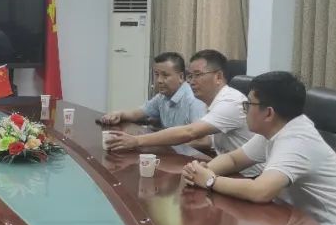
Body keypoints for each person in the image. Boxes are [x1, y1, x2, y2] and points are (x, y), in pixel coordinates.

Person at [181, 71, 336, 225]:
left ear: (268, 113)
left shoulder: (296, 141)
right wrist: (201, 170)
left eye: (248, 104)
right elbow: (234, 159)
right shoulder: (276, 129)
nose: (244, 110)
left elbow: (260, 191)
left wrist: (210, 180)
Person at [107, 50, 261, 177]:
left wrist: (137, 141)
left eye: (197, 75)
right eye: (190, 76)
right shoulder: (210, 101)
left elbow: (190, 132)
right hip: (227, 170)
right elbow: (210, 142)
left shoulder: (230, 102)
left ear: (218, 77)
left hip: (249, 176)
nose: (191, 81)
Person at [98, 52, 207, 154]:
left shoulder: (194, 101)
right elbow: (137, 113)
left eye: (165, 75)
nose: (159, 80)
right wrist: (119, 114)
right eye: (156, 74)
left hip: (189, 159)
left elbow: (204, 142)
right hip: (169, 154)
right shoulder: (162, 97)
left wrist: (167, 143)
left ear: (181, 77)